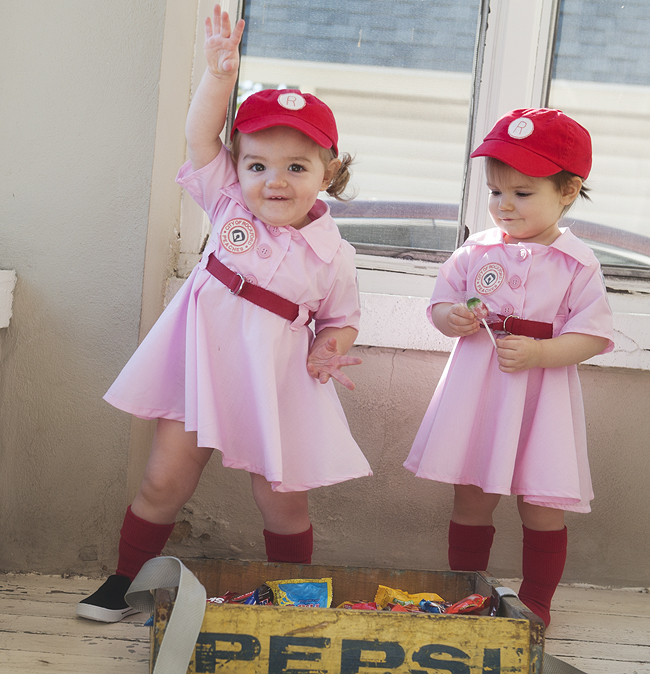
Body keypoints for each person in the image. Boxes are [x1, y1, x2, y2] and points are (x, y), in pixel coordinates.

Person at [76, 5, 371, 623]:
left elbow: (341, 320)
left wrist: (331, 348)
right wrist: (218, 75)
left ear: (329, 172)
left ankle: (293, 604)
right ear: (238, 167)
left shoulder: (333, 255)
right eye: (258, 164)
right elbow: (200, 137)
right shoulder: (227, 202)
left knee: (284, 504)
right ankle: (126, 581)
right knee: (163, 482)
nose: (274, 180)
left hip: (278, 386)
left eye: (297, 167)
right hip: (199, 371)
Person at [403, 108, 614, 627]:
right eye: (497, 192)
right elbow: (441, 303)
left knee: (541, 503)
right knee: (472, 494)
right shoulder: (476, 250)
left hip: (541, 396)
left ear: (567, 191)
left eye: (522, 193)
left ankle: (538, 603)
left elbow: (593, 334)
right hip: (481, 393)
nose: (504, 205)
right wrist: (451, 319)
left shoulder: (577, 262)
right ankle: (466, 594)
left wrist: (542, 353)